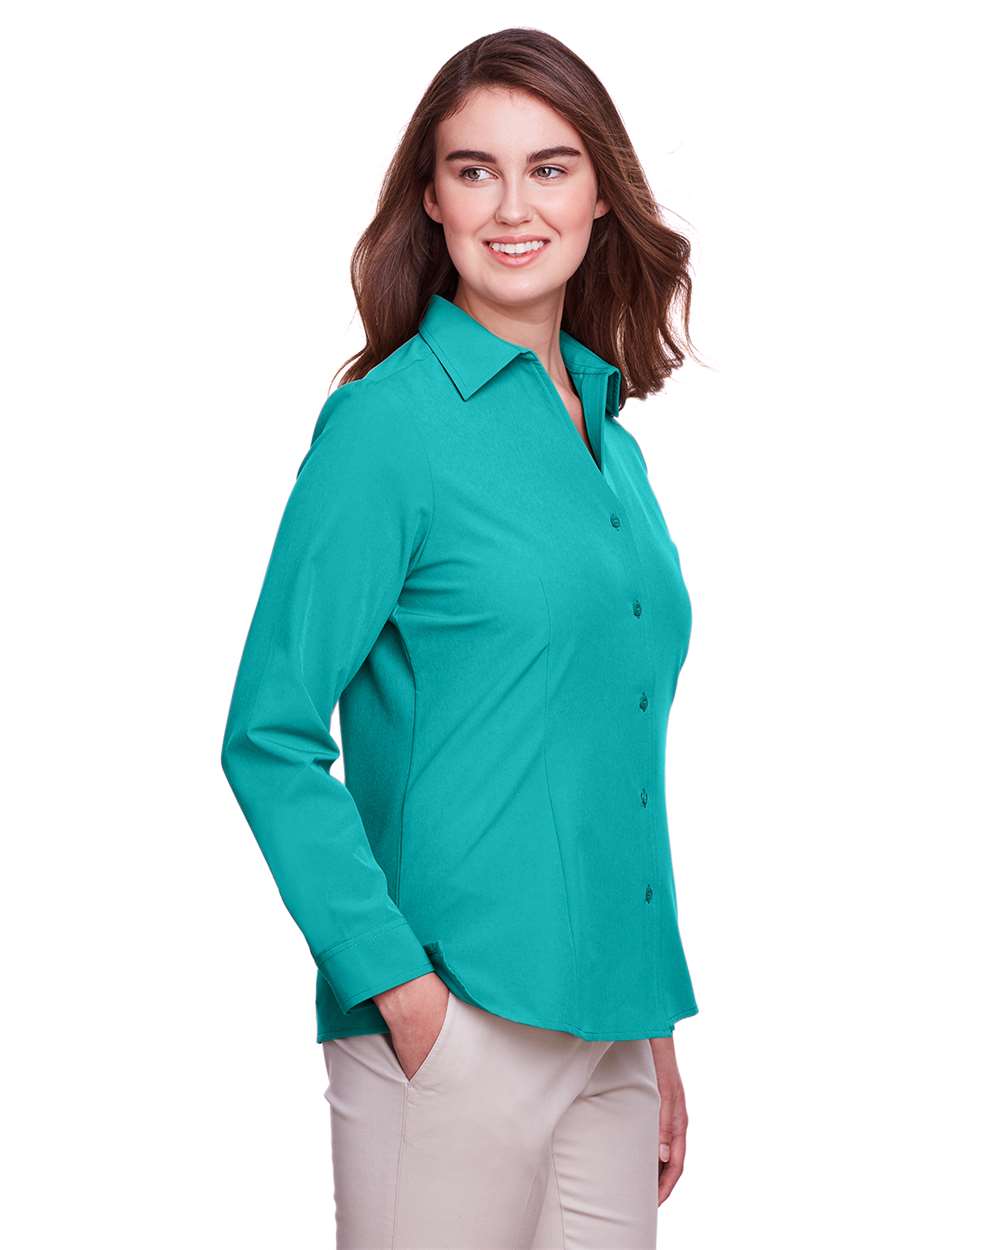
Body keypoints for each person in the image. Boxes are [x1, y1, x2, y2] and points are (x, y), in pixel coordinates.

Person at [221, 26, 701, 1250]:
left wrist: (650, 1029)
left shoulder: (612, 446)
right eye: (474, 169)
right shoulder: (385, 428)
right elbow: (268, 734)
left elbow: (610, 746)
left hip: (610, 1026)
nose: (512, 206)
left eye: (549, 167)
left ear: (601, 193)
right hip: (452, 1023)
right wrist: (405, 994)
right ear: (431, 200)